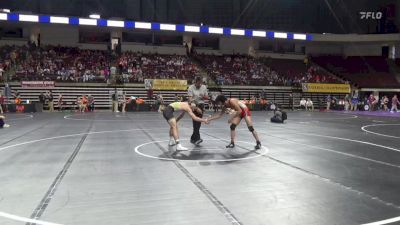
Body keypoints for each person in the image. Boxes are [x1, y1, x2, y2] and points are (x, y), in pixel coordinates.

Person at [188, 76, 208, 145]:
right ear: (195, 82)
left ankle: (193, 138)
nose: (199, 85)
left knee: (198, 123)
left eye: (200, 83)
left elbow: (206, 97)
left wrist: (202, 96)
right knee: (195, 122)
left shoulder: (204, 87)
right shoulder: (191, 87)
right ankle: (197, 139)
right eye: (198, 83)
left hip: (201, 105)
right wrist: (196, 108)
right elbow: (190, 100)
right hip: (194, 105)